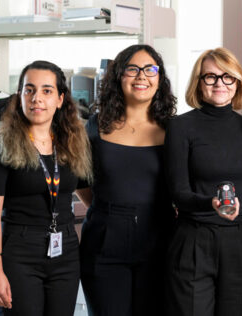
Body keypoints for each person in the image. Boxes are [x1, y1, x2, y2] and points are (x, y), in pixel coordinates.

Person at [77, 44, 177, 315]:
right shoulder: (96, 126)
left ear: (160, 78)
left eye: (150, 69)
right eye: (132, 69)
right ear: (119, 77)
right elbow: (83, 182)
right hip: (104, 241)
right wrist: (112, 212)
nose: (141, 76)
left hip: (160, 240)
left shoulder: (175, 130)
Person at [164, 47, 242, 316]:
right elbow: (178, 192)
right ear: (198, 83)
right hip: (194, 239)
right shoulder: (181, 127)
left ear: (237, 82)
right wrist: (211, 203)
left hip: (238, 240)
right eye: (210, 77)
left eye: (227, 77)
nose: (219, 84)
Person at [0, 60, 92, 315]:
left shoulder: (72, 143)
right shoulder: (3, 144)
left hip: (66, 250)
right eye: (29, 90)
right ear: (20, 96)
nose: (37, 98)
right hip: (20, 252)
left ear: (60, 99)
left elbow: (87, 193)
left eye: (47, 91)